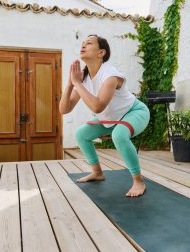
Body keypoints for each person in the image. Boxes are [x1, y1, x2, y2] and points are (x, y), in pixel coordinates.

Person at [59, 35, 150, 197]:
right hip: (110, 119)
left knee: (119, 135)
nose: (83, 45)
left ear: (101, 52)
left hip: (134, 112)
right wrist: (70, 83)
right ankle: (97, 172)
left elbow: (98, 106)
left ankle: (138, 181)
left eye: (89, 43)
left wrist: (78, 84)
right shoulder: (84, 77)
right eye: (82, 43)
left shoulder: (110, 75)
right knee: (81, 134)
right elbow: (64, 109)